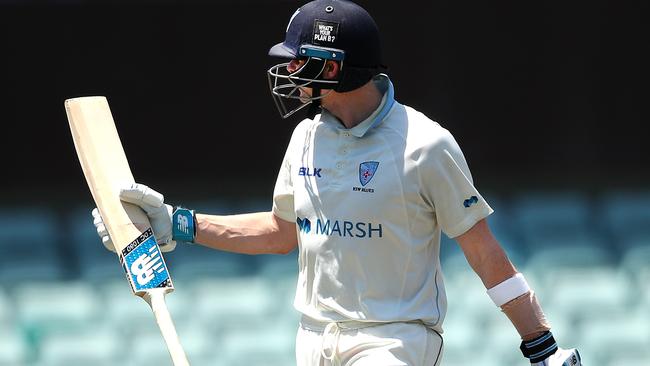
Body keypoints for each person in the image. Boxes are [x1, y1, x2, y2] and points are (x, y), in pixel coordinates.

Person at [92, 1, 581, 365]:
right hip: (314, 337)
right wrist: (177, 223)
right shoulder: (306, 137)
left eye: (299, 61)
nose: (287, 72)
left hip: (394, 340)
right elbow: (283, 233)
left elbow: (484, 253)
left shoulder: (426, 145)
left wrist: (542, 347)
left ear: (333, 67)